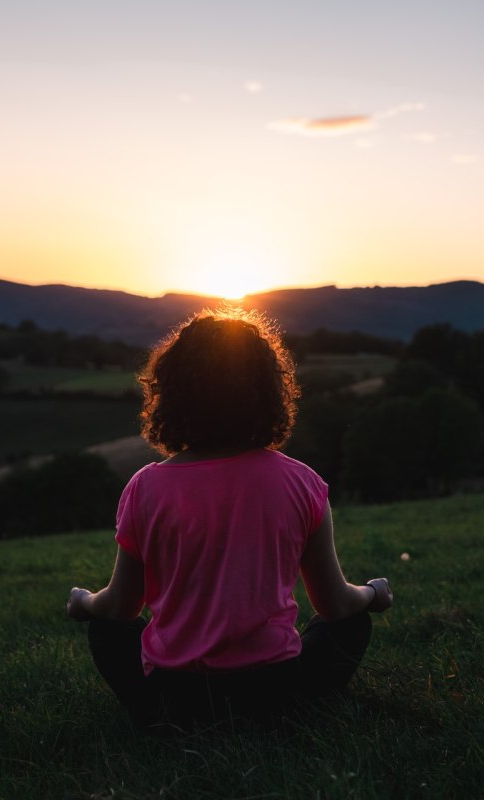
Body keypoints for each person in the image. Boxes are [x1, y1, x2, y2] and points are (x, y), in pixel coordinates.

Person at [66, 307, 392, 729]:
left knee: (105, 630)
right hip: (276, 696)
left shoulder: (145, 487)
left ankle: (156, 715)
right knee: (350, 625)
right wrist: (372, 593)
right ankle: (293, 711)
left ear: (172, 393)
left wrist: (84, 601)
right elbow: (334, 605)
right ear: (269, 392)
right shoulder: (302, 482)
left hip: (173, 700)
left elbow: (120, 608)